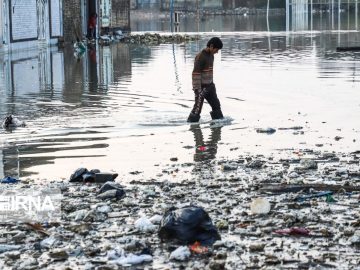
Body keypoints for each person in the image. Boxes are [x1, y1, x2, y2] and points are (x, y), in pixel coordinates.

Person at [187, 37, 224, 123]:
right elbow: (195, 74)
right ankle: (191, 125)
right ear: (211, 46)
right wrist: (197, 90)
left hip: (210, 86)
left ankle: (218, 127)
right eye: (216, 49)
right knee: (197, 109)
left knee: (216, 105)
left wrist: (211, 85)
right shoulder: (200, 56)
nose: (217, 52)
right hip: (201, 88)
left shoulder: (211, 56)